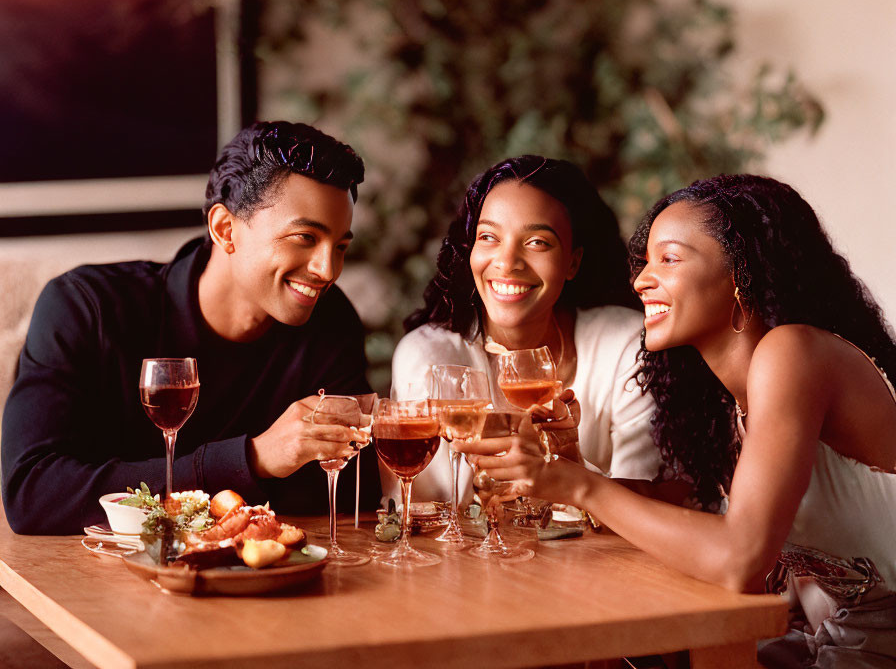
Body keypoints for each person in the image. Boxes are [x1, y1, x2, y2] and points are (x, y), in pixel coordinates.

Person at [457, 174, 896, 667]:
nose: (641, 280)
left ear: (741, 273)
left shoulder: (792, 352)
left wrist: (579, 486)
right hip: (828, 645)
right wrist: (568, 466)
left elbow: (738, 559)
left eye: (669, 259)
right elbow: (691, 527)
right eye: (645, 262)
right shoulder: (733, 399)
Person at [2, 121, 381, 534]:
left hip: (263, 584)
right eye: (305, 237)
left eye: (341, 246)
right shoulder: (85, 308)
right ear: (225, 229)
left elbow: (350, 499)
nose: (328, 270)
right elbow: (33, 494)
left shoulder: (330, 319)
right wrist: (252, 459)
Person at [393, 155, 661, 504]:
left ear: (572, 262)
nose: (506, 262)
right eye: (488, 236)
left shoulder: (626, 344)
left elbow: (647, 505)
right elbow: (427, 511)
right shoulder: (428, 355)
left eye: (537, 242)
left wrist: (568, 469)